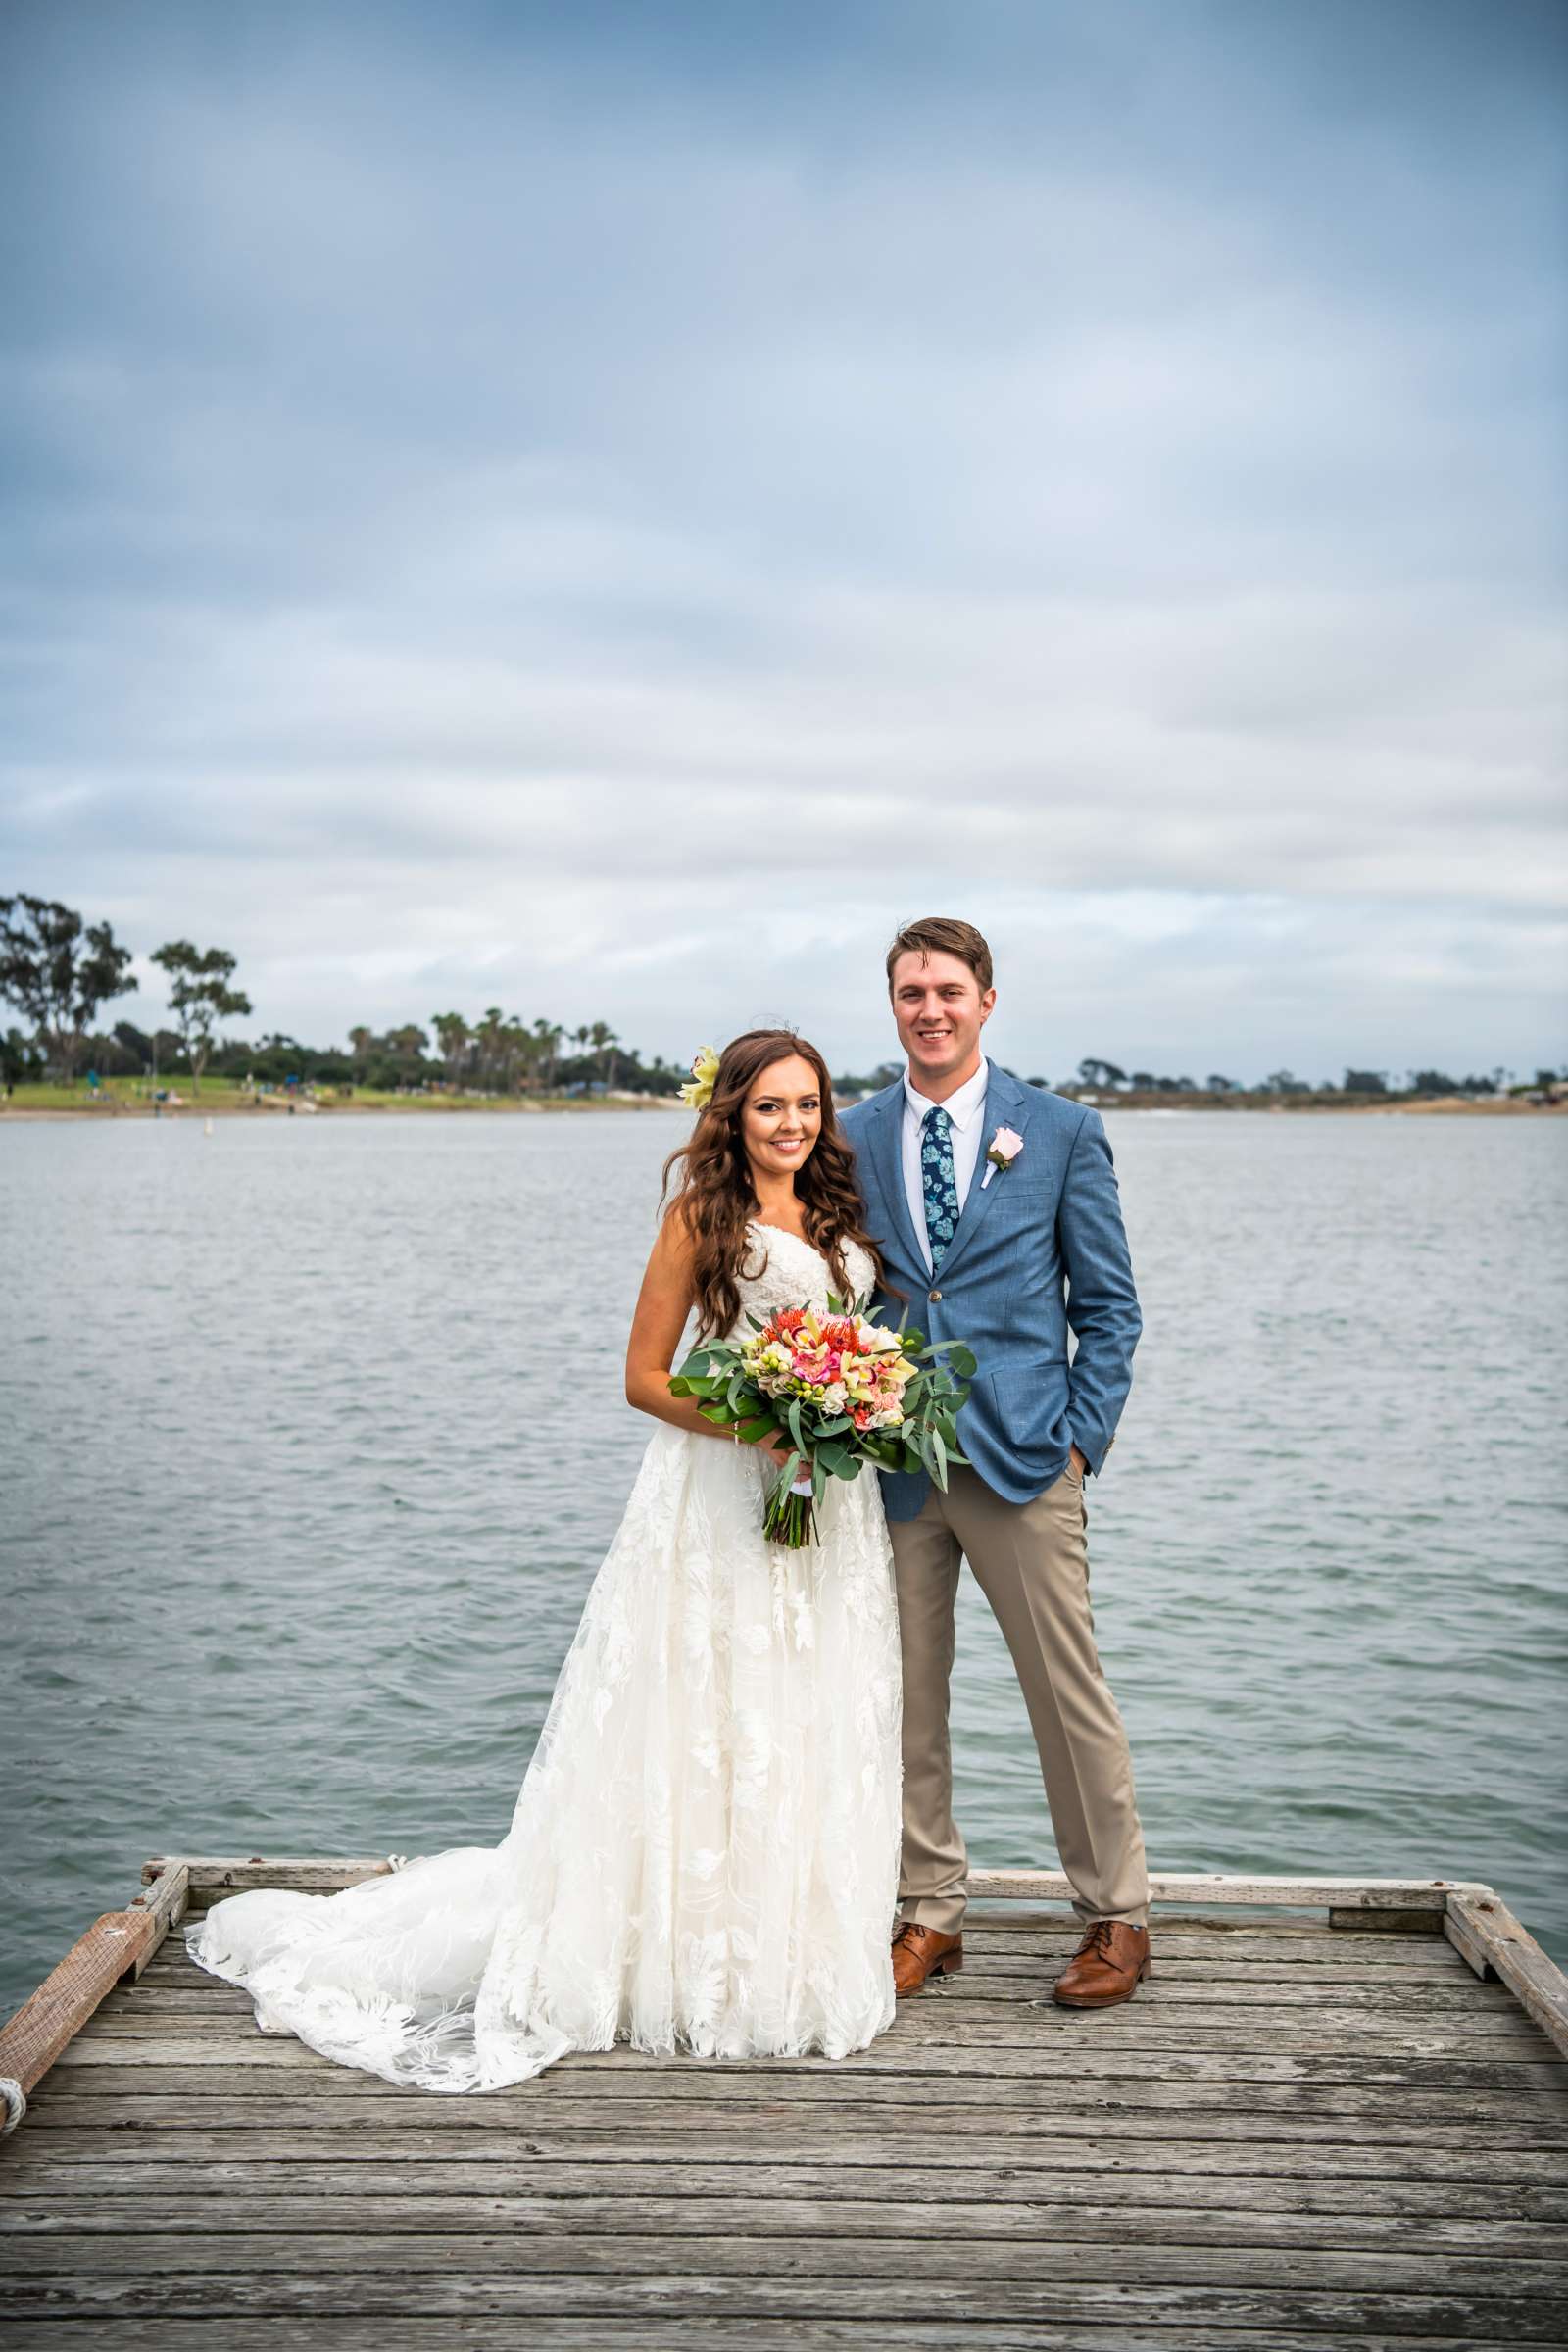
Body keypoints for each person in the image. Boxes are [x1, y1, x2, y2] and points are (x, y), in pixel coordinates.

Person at [187, 1029, 903, 2090]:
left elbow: (847, 1328)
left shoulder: (838, 1212)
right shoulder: (701, 1218)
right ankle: (680, 1958)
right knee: (711, 1704)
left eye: (807, 1105)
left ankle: (786, 1953)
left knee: (804, 1701)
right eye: (769, 1108)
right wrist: (760, 1423)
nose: (792, 1124)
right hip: (721, 1491)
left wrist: (851, 1401)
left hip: (827, 1504)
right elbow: (643, 1378)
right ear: (732, 1118)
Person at [840, 916, 1152, 2008]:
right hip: (891, 1467)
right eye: (910, 991)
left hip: (1025, 1459)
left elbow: (1107, 1309)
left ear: (985, 1001)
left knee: (1068, 1696)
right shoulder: (848, 1134)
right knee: (903, 1699)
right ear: (893, 1005)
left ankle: (1115, 1912)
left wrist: (1078, 1437)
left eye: (948, 990)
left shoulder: (1059, 1131)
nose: (929, 1009)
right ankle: (929, 1910)